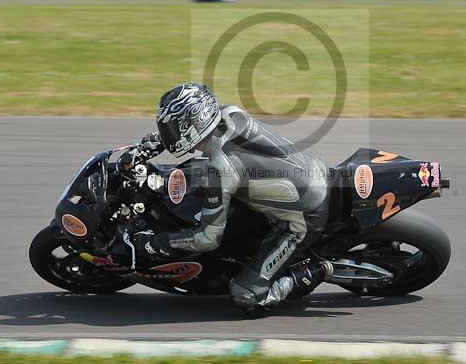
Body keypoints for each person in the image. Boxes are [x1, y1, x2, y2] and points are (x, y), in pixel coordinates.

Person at [128, 82, 333, 314]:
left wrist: (157, 243)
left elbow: (208, 239)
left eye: (173, 127)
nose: (168, 133)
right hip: (313, 171)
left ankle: (315, 270)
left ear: (194, 123)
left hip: (304, 217)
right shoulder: (230, 113)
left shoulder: (221, 168)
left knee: (246, 295)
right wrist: (157, 141)